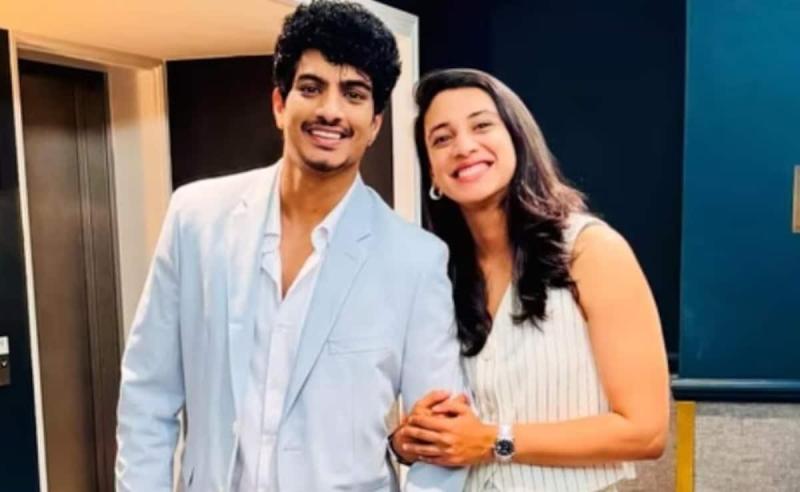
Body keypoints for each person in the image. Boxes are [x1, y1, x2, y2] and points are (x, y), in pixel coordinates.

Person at [115, 2, 467, 491]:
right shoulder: (195, 219)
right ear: (280, 104)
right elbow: (148, 396)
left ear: (375, 124)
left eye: (354, 93)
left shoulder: (415, 259)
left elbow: (442, 444)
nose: (330, 110)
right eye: (311, 87)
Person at [389, 69, 670, 492]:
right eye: (441, 139)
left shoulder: (590, 250)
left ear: (517, 139)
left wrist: (494, 441)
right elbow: (439, 425)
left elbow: (646, 432)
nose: (463, 147)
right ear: (432, 172)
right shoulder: (437, 274)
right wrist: (408, 442)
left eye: (482, 126)